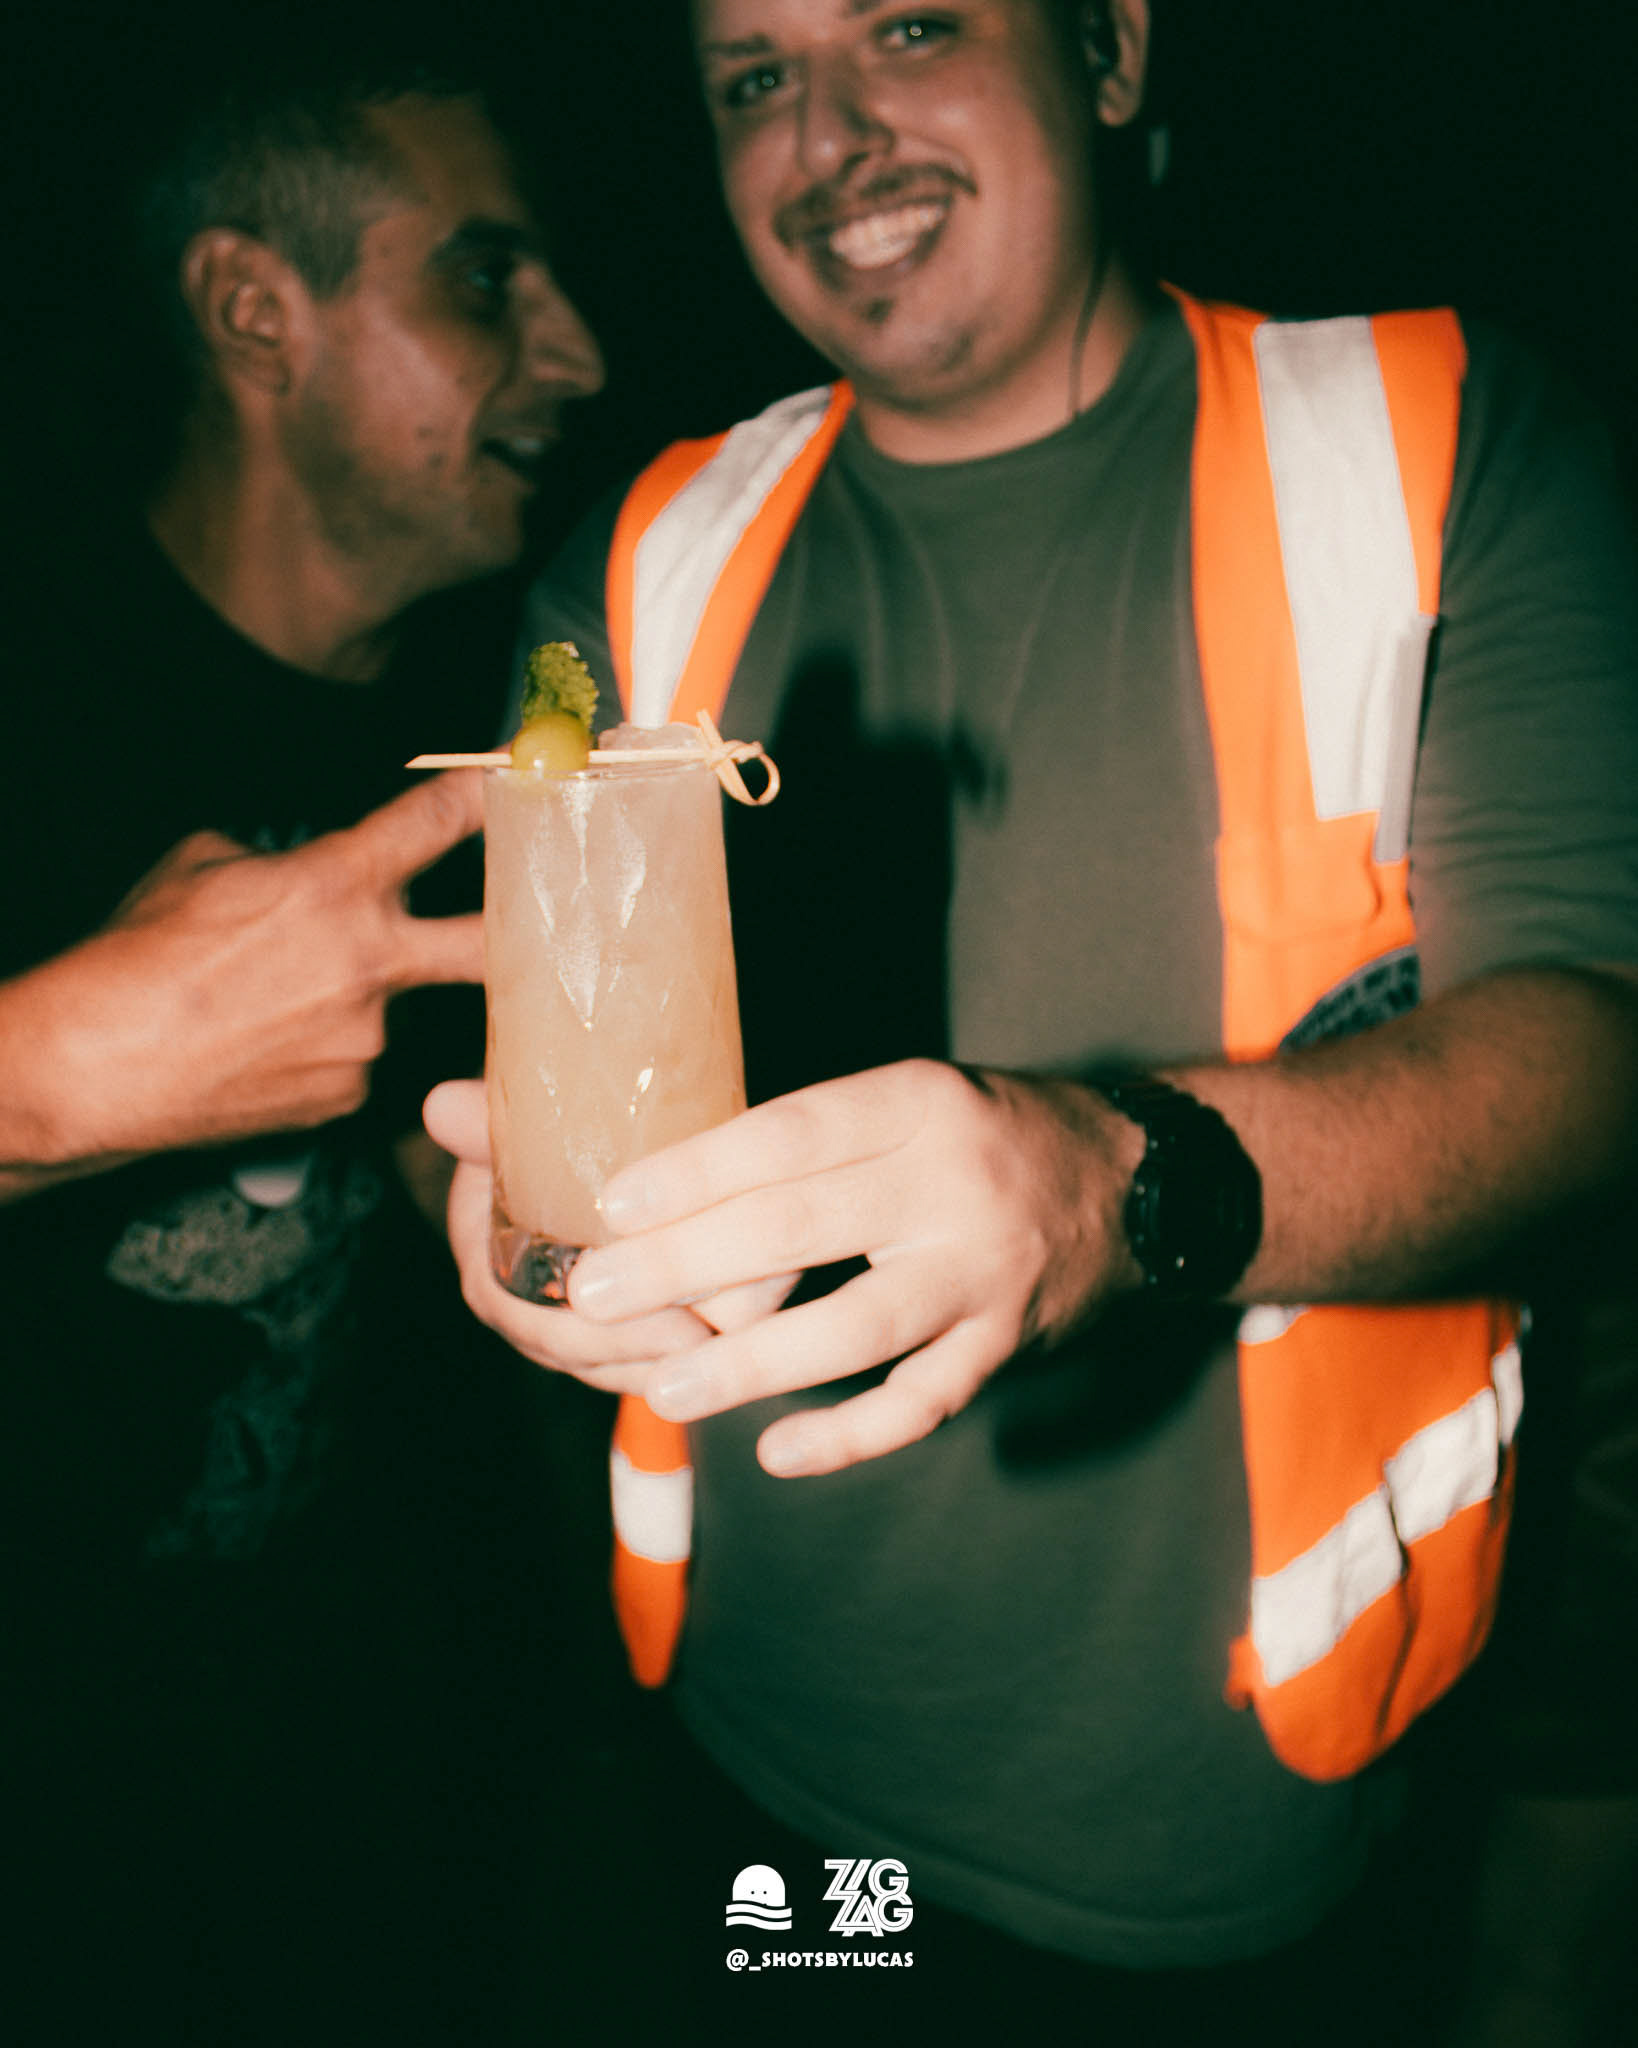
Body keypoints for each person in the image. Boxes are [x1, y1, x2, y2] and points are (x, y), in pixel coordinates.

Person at [427, 0, 1638, 2031]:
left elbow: (1599, 1040)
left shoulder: (1451, 440)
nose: (830, 136)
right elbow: (521, 1059)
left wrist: (1108, 1182)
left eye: (910, 25)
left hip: (1215, 1836)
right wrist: (509, 1211)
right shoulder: (634, 557)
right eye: (753, 77)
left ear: (1113, 54)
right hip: (750, 1753)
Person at [2, 51, 603, 2038]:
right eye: (487, 280)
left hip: (362, 1737)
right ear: (256, 310)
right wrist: (48, 1076)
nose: (578, 355)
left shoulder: (515, 717)